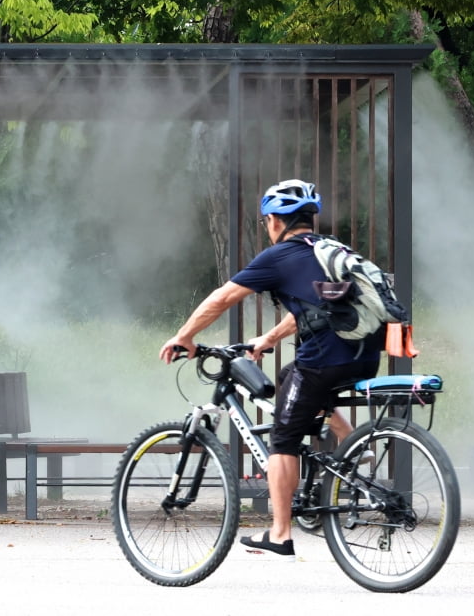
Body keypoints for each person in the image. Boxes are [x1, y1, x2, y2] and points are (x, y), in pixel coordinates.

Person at [158, 179, 380, 557]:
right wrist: (270, 339)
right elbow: (317, 308)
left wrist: (184, 336)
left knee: (283, 439)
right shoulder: (331, 250)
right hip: (365, 354)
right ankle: (352, 444)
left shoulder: (279, 256)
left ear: (275, 221)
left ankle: (279, 533)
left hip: (325, 357)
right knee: (288, 380)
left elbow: (223, 297)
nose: (267, 227)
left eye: (266, 221)